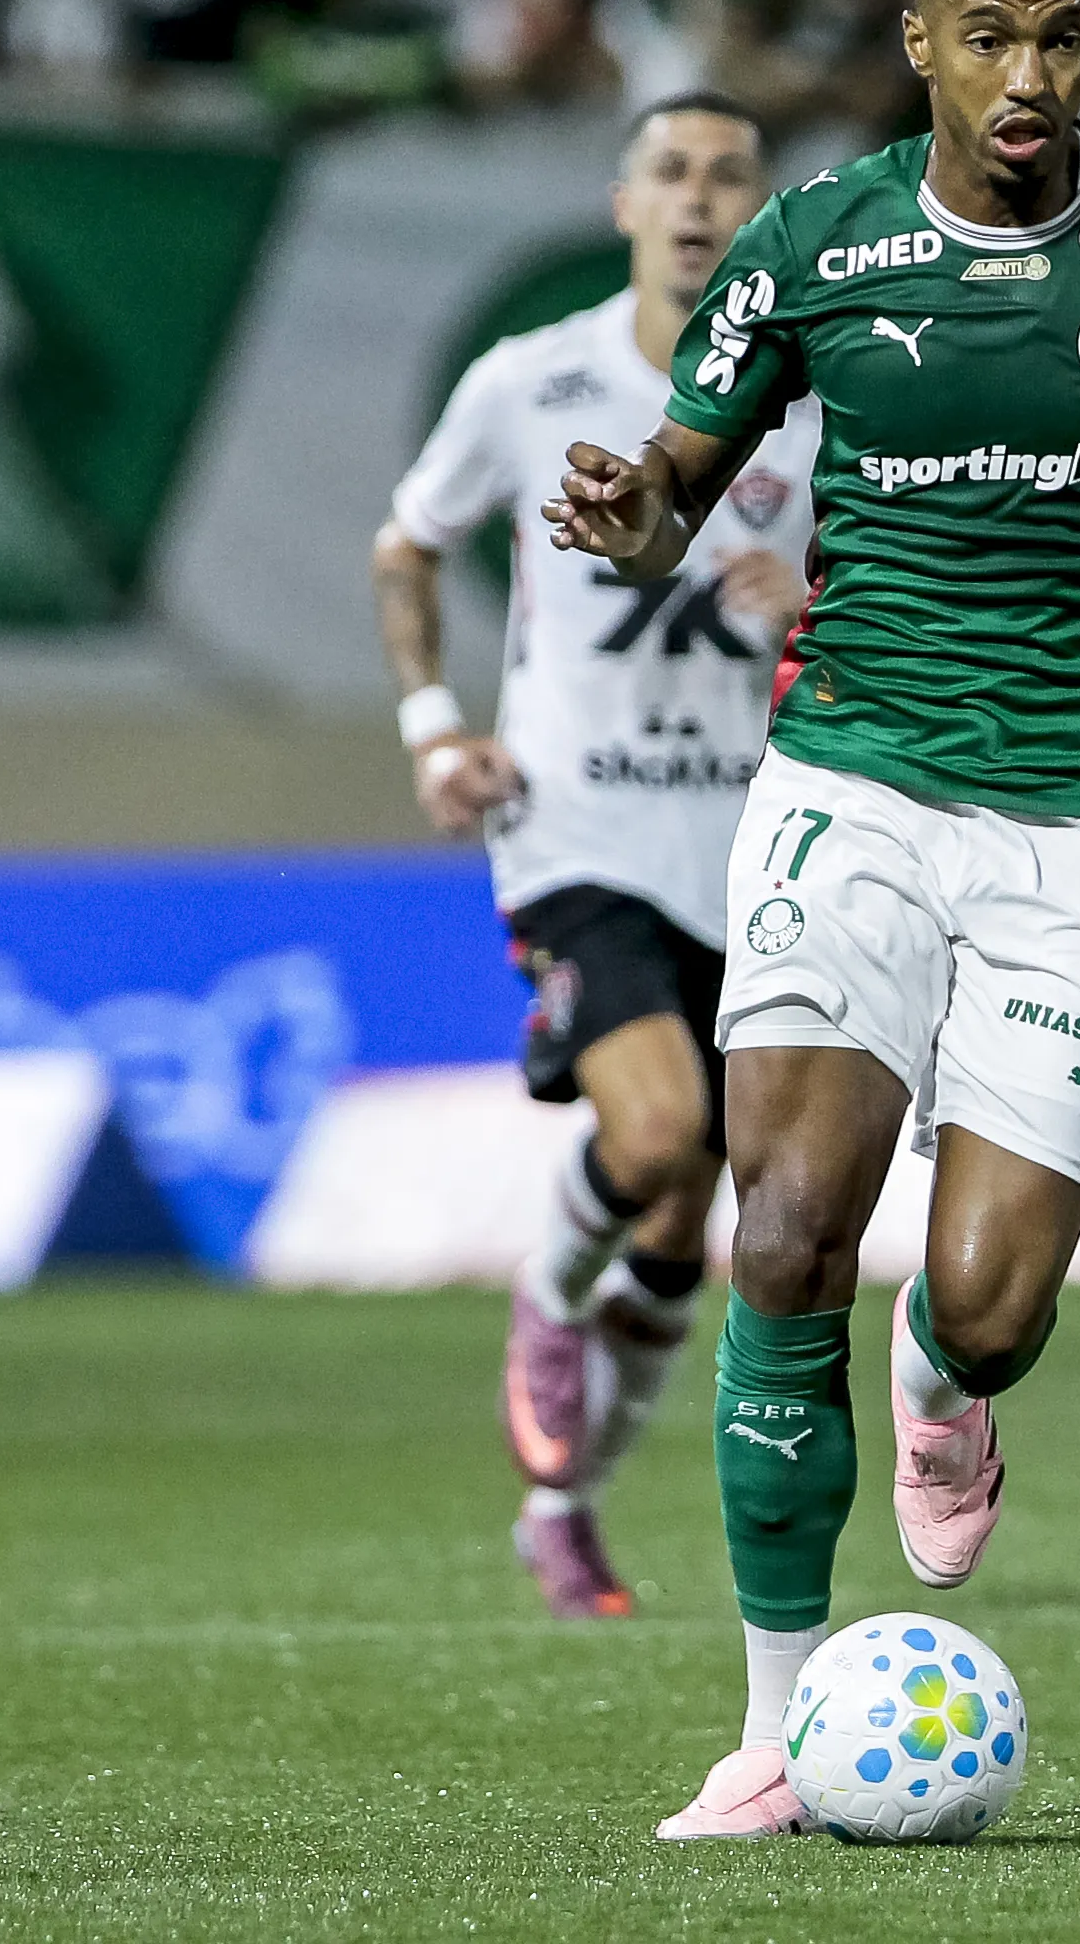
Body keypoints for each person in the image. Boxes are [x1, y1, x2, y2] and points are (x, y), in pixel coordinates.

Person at [543, 0, 1080, 1842]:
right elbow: (679, 486)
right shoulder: (818, 247)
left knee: (982, 1299)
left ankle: (947, 1376)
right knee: (783, 1227)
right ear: (921, 48)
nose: (1027, 73)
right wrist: (635, 514)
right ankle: (770, 1730)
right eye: (989, 37)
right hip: (856, 787)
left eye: (1059, 34)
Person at [371, 92, 820, 1620]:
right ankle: (548, 1291)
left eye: (729, 177)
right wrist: (438, 729)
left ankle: (561, 1507)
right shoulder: (533, 379)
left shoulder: (814, 406)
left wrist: (811, 608)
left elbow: (890, 602)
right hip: (577, 831)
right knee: (658, 1130)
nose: (698, 200)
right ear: (623, 202)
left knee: (693, 1221)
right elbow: (407, 543)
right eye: (670, 173)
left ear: (764, 215)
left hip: (753, 849)